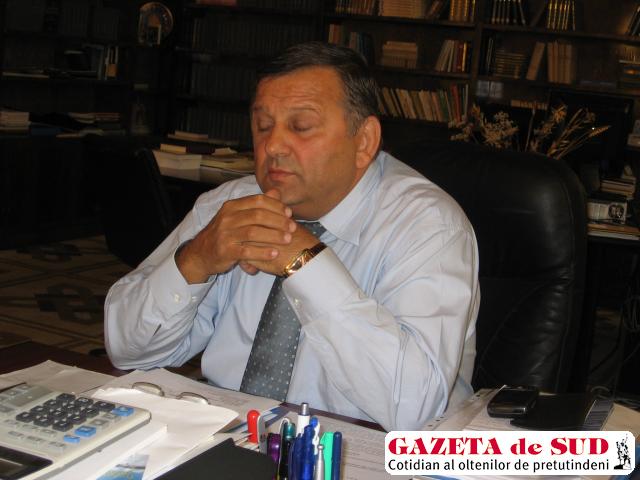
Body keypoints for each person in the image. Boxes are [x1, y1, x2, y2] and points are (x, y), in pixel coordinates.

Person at [104, 41, 480, 432]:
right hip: (230, 435)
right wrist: (195, 260)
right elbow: (128, 351)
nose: (273, 146)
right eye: (263, 126)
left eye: (301, 127)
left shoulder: (429, 226)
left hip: (362, 450)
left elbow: (415, 410)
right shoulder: (229, 206)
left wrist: (306, 264)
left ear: (364, 141)